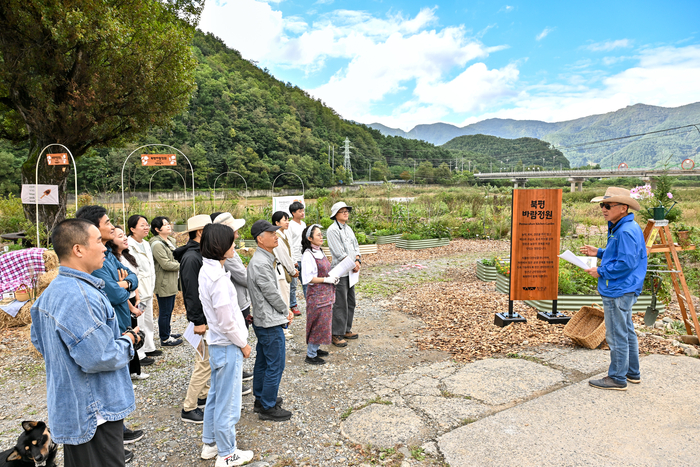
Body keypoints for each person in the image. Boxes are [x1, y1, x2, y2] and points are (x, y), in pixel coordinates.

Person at [31, 218, 141, 467]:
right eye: (99, 241)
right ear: (78, 249)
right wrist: (128, 340)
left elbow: (40, 342)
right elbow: (99, 357)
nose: (105, 247)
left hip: (74, 408)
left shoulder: (51, 292)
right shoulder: (81, 296)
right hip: (95, 411)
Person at [76, 206, 144, 452]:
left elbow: (132, 279)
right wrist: (123, 284)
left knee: (118, 377)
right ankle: (115, 440)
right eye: (107, 222)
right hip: (111, 323)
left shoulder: (108, 253)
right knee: (109, 380)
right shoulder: (93, 264)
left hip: (121, 317)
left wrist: (124, 282)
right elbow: (114, 292)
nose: (111, 226)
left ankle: (119, 432)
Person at [580, 187, 648, 391]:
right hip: (625, 287)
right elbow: (620, 255)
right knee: (626, 330)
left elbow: (625, 263)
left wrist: (602, 272)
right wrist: (599, 252)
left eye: (608, 205)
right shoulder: (623, 227)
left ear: (623, 208)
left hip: (618, 288)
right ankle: (631, 372)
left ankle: (617, 378)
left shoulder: (625, 231)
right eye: (603, 205)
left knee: (616, 334)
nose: (603, 209)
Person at [198, 223, 254, 467]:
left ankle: (210, 443)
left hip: (218, 344)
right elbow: (226, 321)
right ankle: (227, 453)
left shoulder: (207, 269)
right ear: (220, 245)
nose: (235, 245)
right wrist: (243, 344)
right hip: (227, 344)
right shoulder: (218, 279)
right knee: (228, 402)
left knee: (216, 396)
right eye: (231, 241)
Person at [247, 220, 294, 421]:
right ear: (260, 238)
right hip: (269, 321)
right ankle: (267, 406)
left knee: (265, 361)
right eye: (271, 233)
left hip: (265, 319)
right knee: (275, 364)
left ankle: (261, 398)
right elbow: (271, 293)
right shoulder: (260, 262)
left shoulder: (265, 258)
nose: (276, 236)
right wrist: (286, 311)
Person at [175, 214, 213, 424]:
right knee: (204, 362)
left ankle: (203, 394)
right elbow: (190, 292)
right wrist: (198, 320)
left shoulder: (198, 254)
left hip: (204, 317)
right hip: (201, 319)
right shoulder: (192, 258)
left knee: (205, 358)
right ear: (200, 232)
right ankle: (188, 407)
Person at [211, 212, 255, 384]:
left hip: (241, 298)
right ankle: (234, 376)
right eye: (234, 231)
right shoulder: (224, 254)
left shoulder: (229, 251)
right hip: (238, 300)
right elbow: (243, 277)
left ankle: (237, 371)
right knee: (237, 337)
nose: (237, 234)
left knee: (240, 334)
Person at [111, 226, 148, 380]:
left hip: (132, 296)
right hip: (125, 300)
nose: (124, 238)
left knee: (133, 332)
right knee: (127, 334)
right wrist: (131, 306)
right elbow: (118, 287)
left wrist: (137, 298)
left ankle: (134, 371)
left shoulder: (127, 256)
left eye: (123, 235)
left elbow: (133, 280)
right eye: (120, 236)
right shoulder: (113, 259)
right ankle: (128, 374)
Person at [300, 224, 339, 364]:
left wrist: (333, 276)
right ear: (310, 238)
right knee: (317, 323)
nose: (321, 237)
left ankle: (315, 349)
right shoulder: (307, 255)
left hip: (325, 294)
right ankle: (310, 355)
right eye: (318, 235)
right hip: (316, 296)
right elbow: (307, 278)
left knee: (324, 323)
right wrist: (326, 279)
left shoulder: (320, 251)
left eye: (321, 234)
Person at [326, 201, 361, 348]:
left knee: (350, 301)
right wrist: (353, 264)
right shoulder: (332, 230)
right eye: (343, 211)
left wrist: (358, 259)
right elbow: (339, 253)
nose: (346, 213)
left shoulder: (348, 229)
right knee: (340, 303)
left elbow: (355, 245)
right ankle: (336, 333)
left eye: (347, 211)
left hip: (351, 272)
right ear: (335, 215)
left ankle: (346, 329)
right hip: (341, 272)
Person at [127, 215, 161, 360]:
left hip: (148, 288)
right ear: (132, 229)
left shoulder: (146, 244)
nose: (146, 227)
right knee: (139, 322)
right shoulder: (128, 245)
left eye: (147, 225)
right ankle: (139, 354)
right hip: (139, 290)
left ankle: (149, 347)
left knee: (149, 320)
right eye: (142, 225)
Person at [149, 216, 183, 348]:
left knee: (169, 309)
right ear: (157, 229)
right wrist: (183, 264)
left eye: (169, 223)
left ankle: (167, 332)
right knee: (165, 311)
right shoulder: (157, 245)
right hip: (164, 282)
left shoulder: (169, 241)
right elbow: (166, 264)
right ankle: (164, 338)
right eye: (165, 224)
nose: (169, 226)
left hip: (171, 280)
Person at [272, 211, 299, 339]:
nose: (287, 222)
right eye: (284, 220)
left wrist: (293, 265)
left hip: (285, 270)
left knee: (286, 298)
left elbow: (289, 253)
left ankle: (285, 326)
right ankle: (283, 328)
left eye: (288, 220)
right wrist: (293, 270)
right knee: (283, 299)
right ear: (277, 223)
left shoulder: (284, 234)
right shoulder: (276, 236)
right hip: (280, 271)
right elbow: (283, 256)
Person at [287, 201, 306, 315]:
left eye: (303, 210)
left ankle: (310, 303)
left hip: (304, 257)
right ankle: (293, 305)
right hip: (294, 259)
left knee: (307, 282)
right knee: (293, 285)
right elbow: (289, 244)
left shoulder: (303, 224)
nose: (302, 213)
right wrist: (293, 260)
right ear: (293, 213)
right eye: (300, 211)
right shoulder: (290, 225)